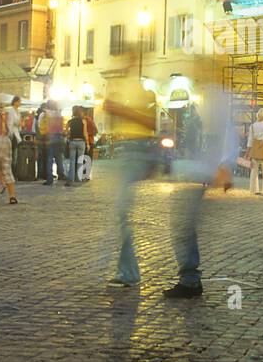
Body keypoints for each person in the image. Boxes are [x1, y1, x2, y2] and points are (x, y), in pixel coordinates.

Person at [104, 51, 205, 298]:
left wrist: (120, 110)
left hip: (138, 153)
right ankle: (131, 271)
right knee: (121, 212)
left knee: (124, 211)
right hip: (126, 151)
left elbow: (151, 123)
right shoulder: (117, 88)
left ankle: (132, 272)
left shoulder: (144, 92)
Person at [40, 100, 68, 186]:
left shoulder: (45, 115)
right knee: (59, 158)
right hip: (59, 138)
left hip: (50, 138)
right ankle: (61, 175)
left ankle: (49, 179)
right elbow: (63, 126)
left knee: (49, 159)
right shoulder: (59, 114)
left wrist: (43, 135)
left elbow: (42, 127)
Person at [248, 109, 263, 195]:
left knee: (254, 170)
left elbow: (250, 140)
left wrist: (247, 152)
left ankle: (255, 189)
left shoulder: (252, 126)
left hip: (255, 149)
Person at [67, 106, 89, 185]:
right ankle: (78, 178)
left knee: (72, 161)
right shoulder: (83, 121)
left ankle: (71, 179)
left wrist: (69, 135)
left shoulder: (70, 122)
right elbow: (85, 133)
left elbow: (67, 133)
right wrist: (88, 143)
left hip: (72, 141)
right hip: (81, 142)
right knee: (80, 161)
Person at [6, 95, 24, 180]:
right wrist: (19, 123)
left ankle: (15, 172)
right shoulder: (11, 111)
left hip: (17, 134)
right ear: (15, 102)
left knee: (16, 155)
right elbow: (10, 123)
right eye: (19, 101)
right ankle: (12, 173)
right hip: (12, 134)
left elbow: (19, 123)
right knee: (13, 155)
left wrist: (20, 124)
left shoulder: (18, 111)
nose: (20, 103)